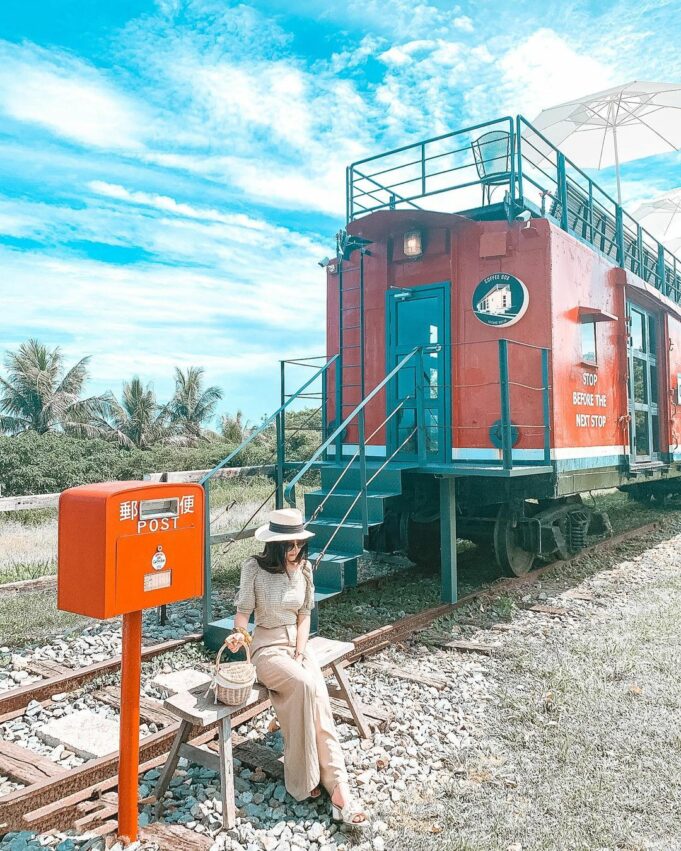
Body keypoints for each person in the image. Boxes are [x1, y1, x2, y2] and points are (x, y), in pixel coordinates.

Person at [225, 507, 367, 826]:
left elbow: (305, 616)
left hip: (297, 647)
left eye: (299, 544)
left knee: (318, 698)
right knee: (304, 685)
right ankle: (303, 779)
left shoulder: (304, 569)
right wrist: (238, 637)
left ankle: (338, 786)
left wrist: (301, 652)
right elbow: (243, 616)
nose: (295, 550)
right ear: (274, 546)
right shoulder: (254, 569)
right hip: (266, 648)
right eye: (288, 546)